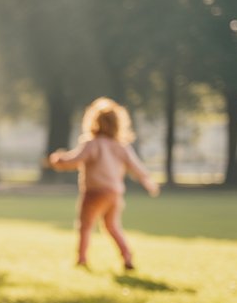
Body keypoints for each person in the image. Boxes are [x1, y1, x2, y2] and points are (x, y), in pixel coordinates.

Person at [48, 97, 160, 270]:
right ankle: (127, 256)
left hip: (94, 192)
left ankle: (82, 259)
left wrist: (59, 160)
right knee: (112, 226)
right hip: (114, 193)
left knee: (85, 226)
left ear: (93, 121)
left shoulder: (92, 144)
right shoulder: (120, 146)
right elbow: (136, 167)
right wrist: (148, 181)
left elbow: (75, 160)